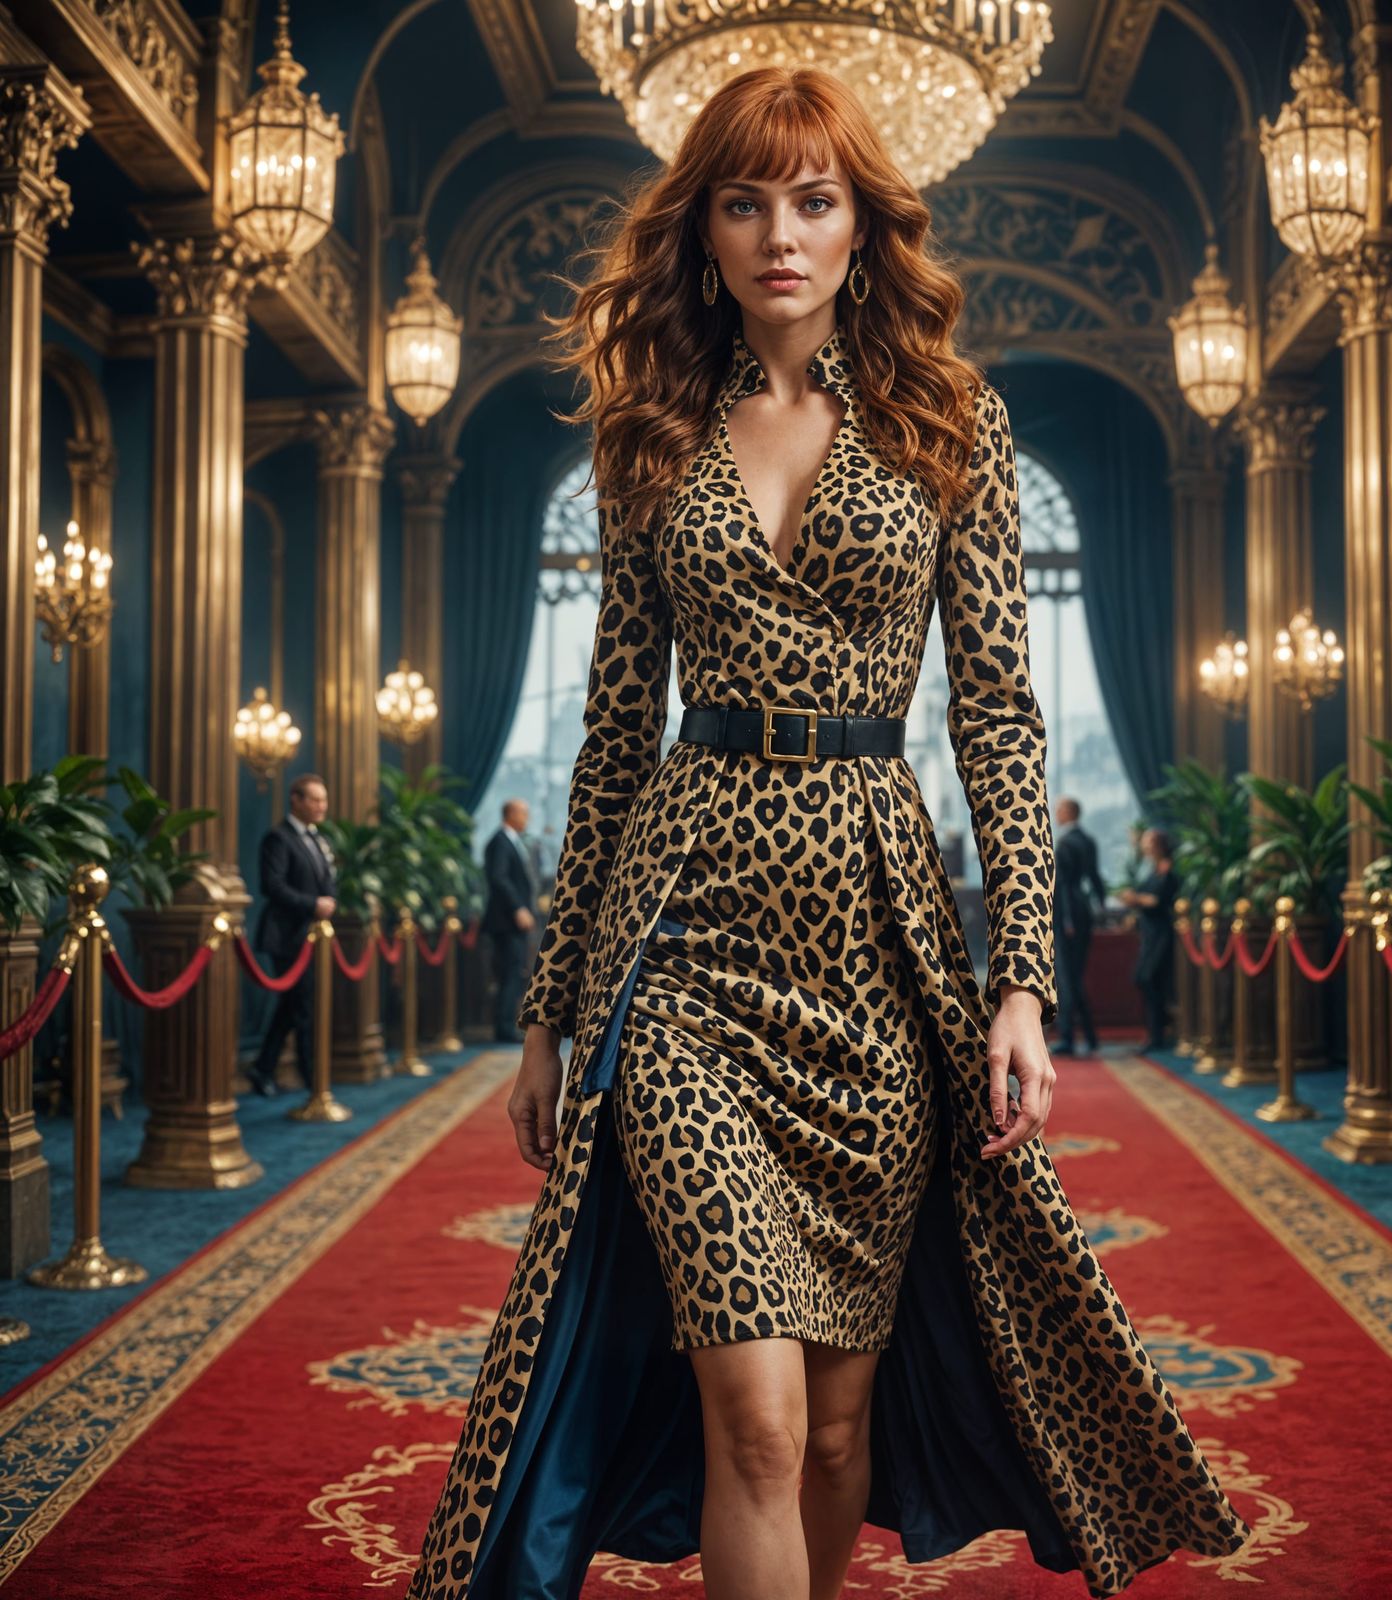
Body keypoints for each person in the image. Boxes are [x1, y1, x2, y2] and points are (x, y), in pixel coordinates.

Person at [407, 68, 1247, 1600]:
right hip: (684, 947)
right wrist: (549, 1014)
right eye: (744, 203)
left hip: (876, 952)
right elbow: (613, 739)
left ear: (863, 222)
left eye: (812, 200)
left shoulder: (953, 419)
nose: (779, 235)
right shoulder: (651, 428)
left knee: (841, 1426)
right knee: (760, 1419)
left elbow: (1001, 715)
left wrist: (1022, 980)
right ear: (705, 229)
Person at [248, 773, 336, 1096]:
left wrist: (329, 900)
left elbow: (326, 881)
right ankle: (313, 1081)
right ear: (296, 800)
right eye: (315, 799)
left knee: (293, 1005)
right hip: (286, 936)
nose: (321, 806)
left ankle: (264, 1068)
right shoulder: (278, 838)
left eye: (324, 800)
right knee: (302, 1006)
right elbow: (272, 885)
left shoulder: (318, 839)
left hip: (312, 937)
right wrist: (313, 904)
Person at [1050, 796, 1104, 1056]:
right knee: (1075, 976)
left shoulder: (1065, 843)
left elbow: (1060, 885)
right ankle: (1089, 1036)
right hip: (1083, 910)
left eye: (1059, 809)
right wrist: (1100, 907)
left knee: (1067, 978)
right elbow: (1095, 878)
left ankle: (1068, 1037)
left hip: (1067, 914)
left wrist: (1067, 920)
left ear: (1069, 812)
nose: (1056, 813)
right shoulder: (1088, 840)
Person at [1118, 827, 1179, 1052]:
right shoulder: (1152, 869)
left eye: (1147, 842)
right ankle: (1157, 1031)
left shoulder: (1167, 869)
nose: (1144, 846)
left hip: (1161, 933)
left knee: (1149, 978)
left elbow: (1158, 900)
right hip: (1150, 933)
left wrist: (1135, 898)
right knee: (1147, 980)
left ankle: (1159, 1033)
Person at [483, 798, 538, 1043]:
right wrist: (518, 908)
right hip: (506, 922)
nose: (527, 818)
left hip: (511, 922)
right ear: (511, 814)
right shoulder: (501, 841)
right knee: (510, 973)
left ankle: (506, 1025)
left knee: (514, 972)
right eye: (524, 813)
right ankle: (504, 1028)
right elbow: (499, 878)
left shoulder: (511, 840)